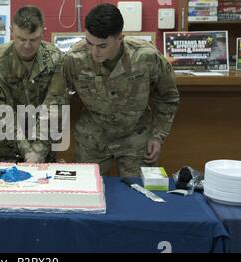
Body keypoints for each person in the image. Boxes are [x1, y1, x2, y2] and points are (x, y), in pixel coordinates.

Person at [63, 3, 180, 177]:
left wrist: (158, 135)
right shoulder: (74, 58)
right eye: (89, 43)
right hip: (93, 139)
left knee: (142, 195)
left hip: (136, 138)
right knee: (86, 194)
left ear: (120, 38)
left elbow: (168, 96)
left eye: (102, 46)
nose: (94, 52)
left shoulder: (146, 57)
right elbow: (57, 96)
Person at [0, 6, 68, 163]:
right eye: (21, 39)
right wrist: (27, 152)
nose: (27, 45)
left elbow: (54, 106)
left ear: (43, 32)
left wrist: (38, 150)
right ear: (11, 31)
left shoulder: (56, 59)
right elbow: (3, 113)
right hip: (7, 148)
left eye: (33, 39)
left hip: (44, 146)